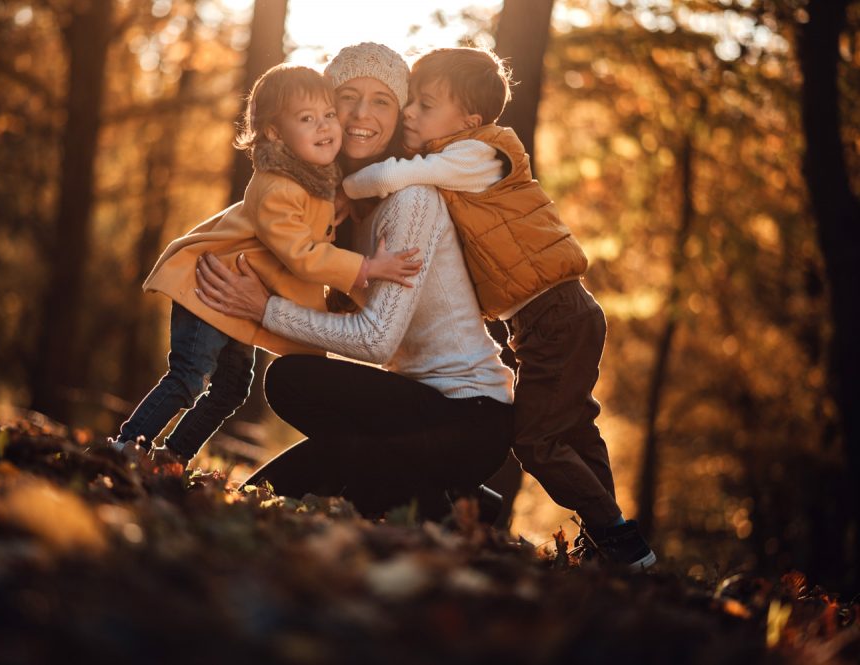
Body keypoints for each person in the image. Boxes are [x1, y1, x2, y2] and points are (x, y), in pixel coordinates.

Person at [341, 47, 655, 569]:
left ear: (470, 119)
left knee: (536, 442)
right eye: (411, 102)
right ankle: (614, 536)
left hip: (556, 315)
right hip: (547, 321)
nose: (411, 113)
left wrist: (343, 186)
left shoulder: (477, 153)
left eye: (425, 104)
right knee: (574, 426)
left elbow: (395, 176)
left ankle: (618, 537)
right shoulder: (461, 159)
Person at [196, 42, 514, 521]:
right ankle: (447, 500)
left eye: (382, 100)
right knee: (280, 487)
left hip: (468, 415)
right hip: (411, 411)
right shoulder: (340, 205)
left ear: (399, 112)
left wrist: (263, 310)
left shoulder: (411, 201)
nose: (362, 113)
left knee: (290, 381)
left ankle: (440, 495)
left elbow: (377, 341)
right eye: (347, 96)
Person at [109, 64, 421, 460]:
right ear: (275, 132)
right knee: (189, 377)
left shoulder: (316, 177)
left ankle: (174, 457)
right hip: (211, 286)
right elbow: (303, 256)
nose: (324, 127)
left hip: (237, 299)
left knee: (231, 390)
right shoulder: (276, 185)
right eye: (307, 119)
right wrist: (367, 269)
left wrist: (339, 200)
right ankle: (127, 443)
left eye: (328, 115)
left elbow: (322, 209)